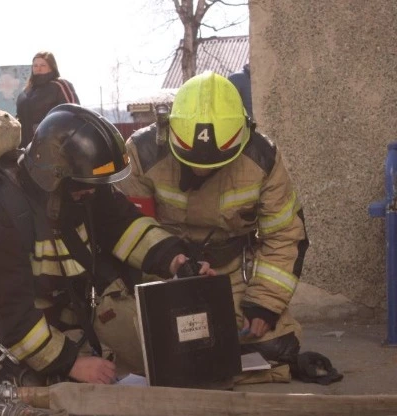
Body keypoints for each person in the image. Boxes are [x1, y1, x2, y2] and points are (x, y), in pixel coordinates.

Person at [0, 104, 211, 385]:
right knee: (21, 386)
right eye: (87, 186)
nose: (94, 191)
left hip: (42, 299)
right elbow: (8, 314)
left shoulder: (79, 186)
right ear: (55, 174)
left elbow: (125, 225)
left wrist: (174, 258)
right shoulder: (0, 214)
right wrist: (70, 363)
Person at [120, 71, 308, 378]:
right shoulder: (142, 153)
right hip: (163, 271)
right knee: (150, 353)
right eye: (190, 160)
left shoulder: (263, 158)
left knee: (279, 347)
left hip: (230, 272)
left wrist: (263, 303)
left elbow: (285, 235)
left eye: (213, 165)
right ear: (169, 129)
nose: (200, 171)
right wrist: (173, 263)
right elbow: (130, 228)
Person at [15, 51, 79, 148]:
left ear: (51, 66)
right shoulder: (26, 92)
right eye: (35, 65)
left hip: (52, 146)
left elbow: (73, 113)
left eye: (43, 65)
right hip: (26, 147)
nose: (38, 68)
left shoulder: (60, 85)